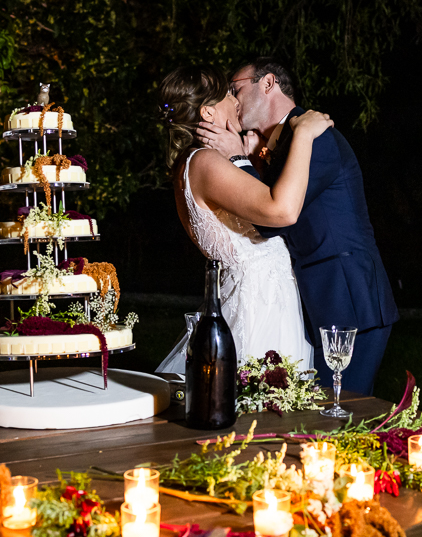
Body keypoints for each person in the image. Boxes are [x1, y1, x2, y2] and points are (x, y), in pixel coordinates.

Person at [197, 57, 399, 398]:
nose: (231, 99)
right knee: (314, 414)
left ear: (268, 83)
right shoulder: (282, 143)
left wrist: (238, 160)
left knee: (338, 411)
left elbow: (270, 218)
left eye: (235, 89)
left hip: (349, 301)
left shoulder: (313, 137)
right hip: (319, 301)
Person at [154, 65, 334, 373]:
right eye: (226, 92)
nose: (235, 99)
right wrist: (303, 133)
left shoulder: (196, 161)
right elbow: (281, 211)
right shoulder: (206, 162)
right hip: (258, 312)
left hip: (264, 302)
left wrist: (251, 159)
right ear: (207, 112)